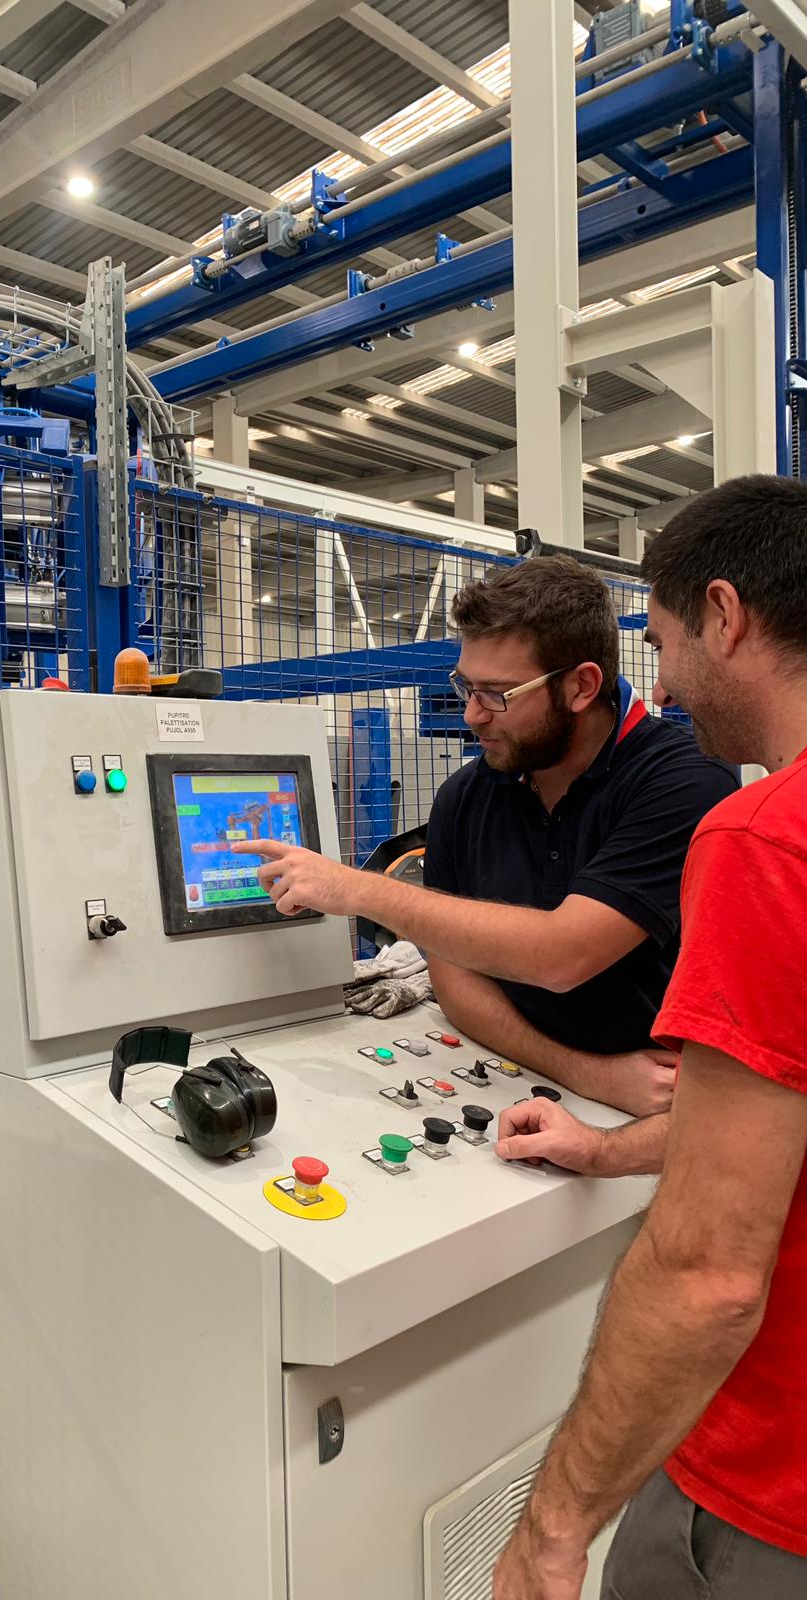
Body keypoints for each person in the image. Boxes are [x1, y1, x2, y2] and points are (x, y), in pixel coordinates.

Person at [489, 474, 807, 1598]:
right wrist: (605, 1146)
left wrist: (552, 1528)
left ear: (726, 615)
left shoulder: (763, 838)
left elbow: (708, 1272)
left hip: (771, 1480)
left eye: (664, 643)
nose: (661, 685)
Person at [236, 554, 736, 1115]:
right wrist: (585, 1074)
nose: (472, 715)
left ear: (581, 686)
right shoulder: (466, 796)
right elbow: (453, 976)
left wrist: (357, 889)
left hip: (658, 1104)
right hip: (526, 1075)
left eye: (498, 694)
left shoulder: (683, 782)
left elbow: (565, 955)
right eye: (466, 687)